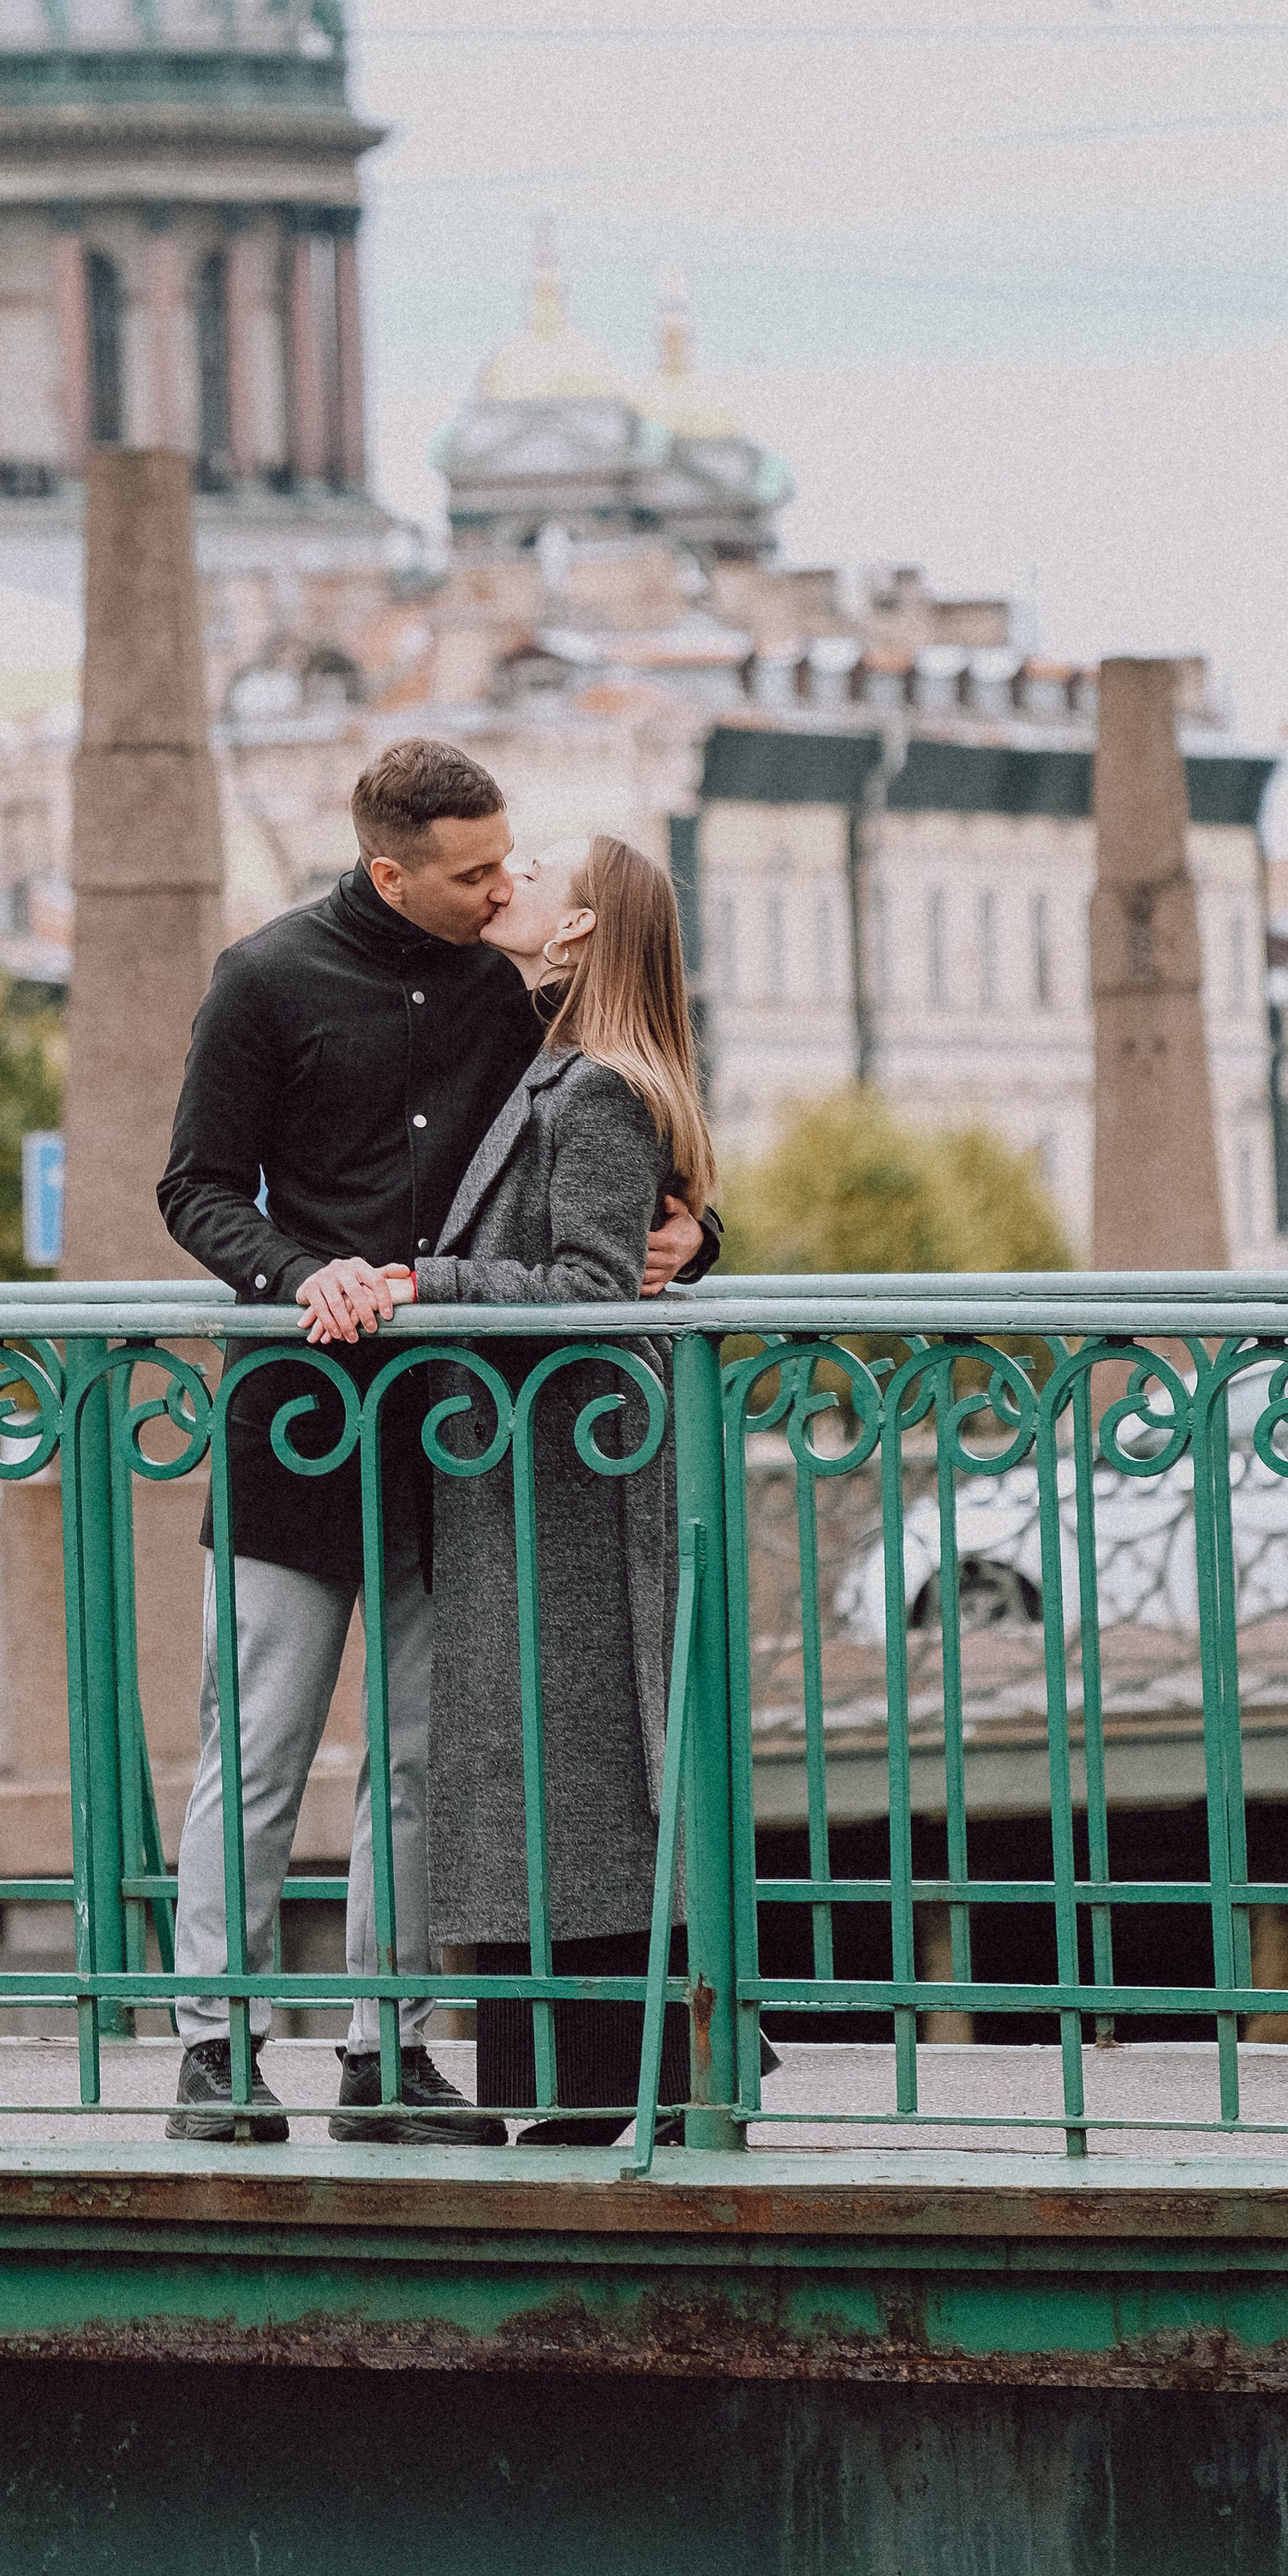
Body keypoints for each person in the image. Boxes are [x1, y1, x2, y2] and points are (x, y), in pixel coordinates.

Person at [156, 741, 710, 2146]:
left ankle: (385, 2057)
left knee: (416, 1762)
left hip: (460, 1447)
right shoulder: (266, 979)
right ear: (389, 870)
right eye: (472, 873)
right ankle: (216, 2050)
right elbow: (198, 1189)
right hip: (296, 1419)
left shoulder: (514, 987)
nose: (497, 887)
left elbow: (605, 1156)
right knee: (260, 1746)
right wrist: (301, 1278)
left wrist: (700, 1239)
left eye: (507, 864)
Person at [346, 835, 723, 2144]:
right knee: (551, 1779)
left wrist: (420, 1285)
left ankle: (613, 2091)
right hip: (531, 1476)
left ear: (584, 932)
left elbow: (587, 1284)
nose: (508, 886)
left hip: (566, 1480)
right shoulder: (556, 1066)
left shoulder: (597, 1090)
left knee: (584, 1778)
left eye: (536, 874)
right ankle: (589, 2091)